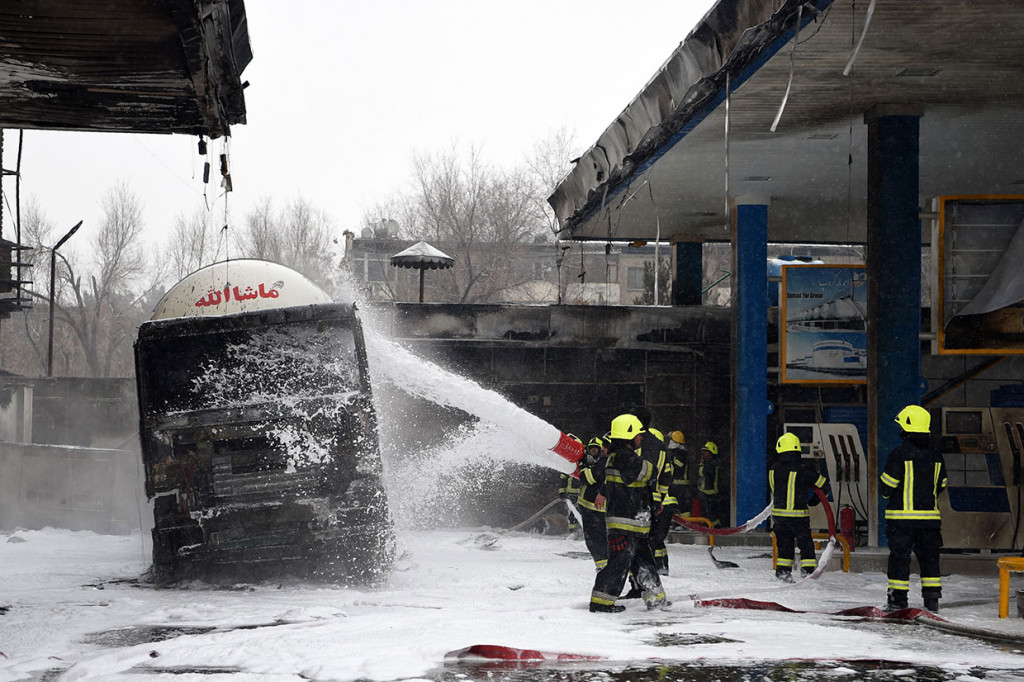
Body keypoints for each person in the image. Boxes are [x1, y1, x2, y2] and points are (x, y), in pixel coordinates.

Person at [589, 414, 670, 613]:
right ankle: (601, 602)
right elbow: (649, 472)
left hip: (634, 523)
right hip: (625, 523)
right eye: (638, 435)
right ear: (628, 436)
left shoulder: (616, 458)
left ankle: (656, 599)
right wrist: (652, 459)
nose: (641, 438)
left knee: (643, 562)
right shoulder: (625, 458)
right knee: (618, 564)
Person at [880, 405, 948, 612]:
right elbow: (942, 485)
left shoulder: (899, 454)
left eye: (901, 426)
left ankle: (897, 601)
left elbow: (887, 487)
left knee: (900, 561)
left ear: (907, 429)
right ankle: (932, 599)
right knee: (930, 560)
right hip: (929, 522)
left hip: (901, 522)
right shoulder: (936, 455)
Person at [769, 432, 830, 582]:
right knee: (806, 547)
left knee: (784, 547)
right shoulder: (804, 468)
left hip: (779, 518)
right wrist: (813, 500)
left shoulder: (774, 468)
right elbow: (824, 486)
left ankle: (783, 574)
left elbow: (774, 489)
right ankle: (808, 575)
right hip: (798, 518)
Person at [577, 436, 609, 571]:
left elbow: (588, 478)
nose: (595, 450)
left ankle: (603, 567)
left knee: (595, 539)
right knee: (598, 538)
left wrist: (582, 465)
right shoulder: (601, 463)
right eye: (592, 449)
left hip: (594, 509)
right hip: (593, 508)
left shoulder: (603, 463)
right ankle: (603, 565)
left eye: (599, 448)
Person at [557, 435, 583, 537]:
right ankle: (573, 533)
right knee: (572, 514)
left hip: (581, 493)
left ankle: (581, 533)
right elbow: (563, 478)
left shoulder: (582, 461)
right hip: (572, 493)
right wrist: (562, 492)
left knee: (581, 513)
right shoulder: (567, 462)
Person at [696, 441, 727, 527]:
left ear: (711, 452)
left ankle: (714, 527)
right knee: (709, 512)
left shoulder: (711, 463)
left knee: (710, 512)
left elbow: (702, 473)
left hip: (709, 492)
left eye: (706, 451)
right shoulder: (714, 462)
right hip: (709, 492)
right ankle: (709, 526)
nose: (704, 453)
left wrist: (702, 464)